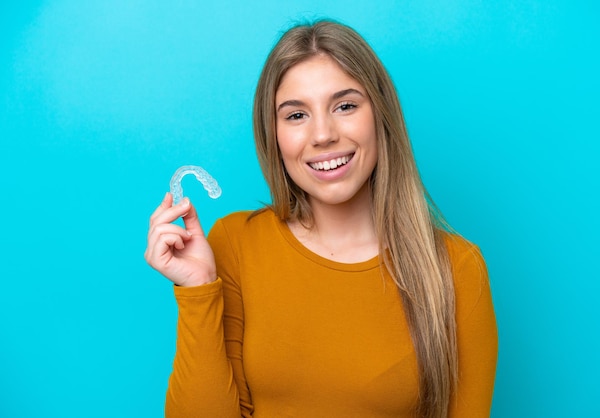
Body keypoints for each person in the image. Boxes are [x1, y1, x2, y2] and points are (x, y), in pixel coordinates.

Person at [145, 19, 497, 418]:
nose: (323, 134)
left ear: (381, 115)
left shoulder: (457, 269)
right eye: (296, 115)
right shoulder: (234, 243)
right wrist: (198, 292)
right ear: (273, 134)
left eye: (345, 106)